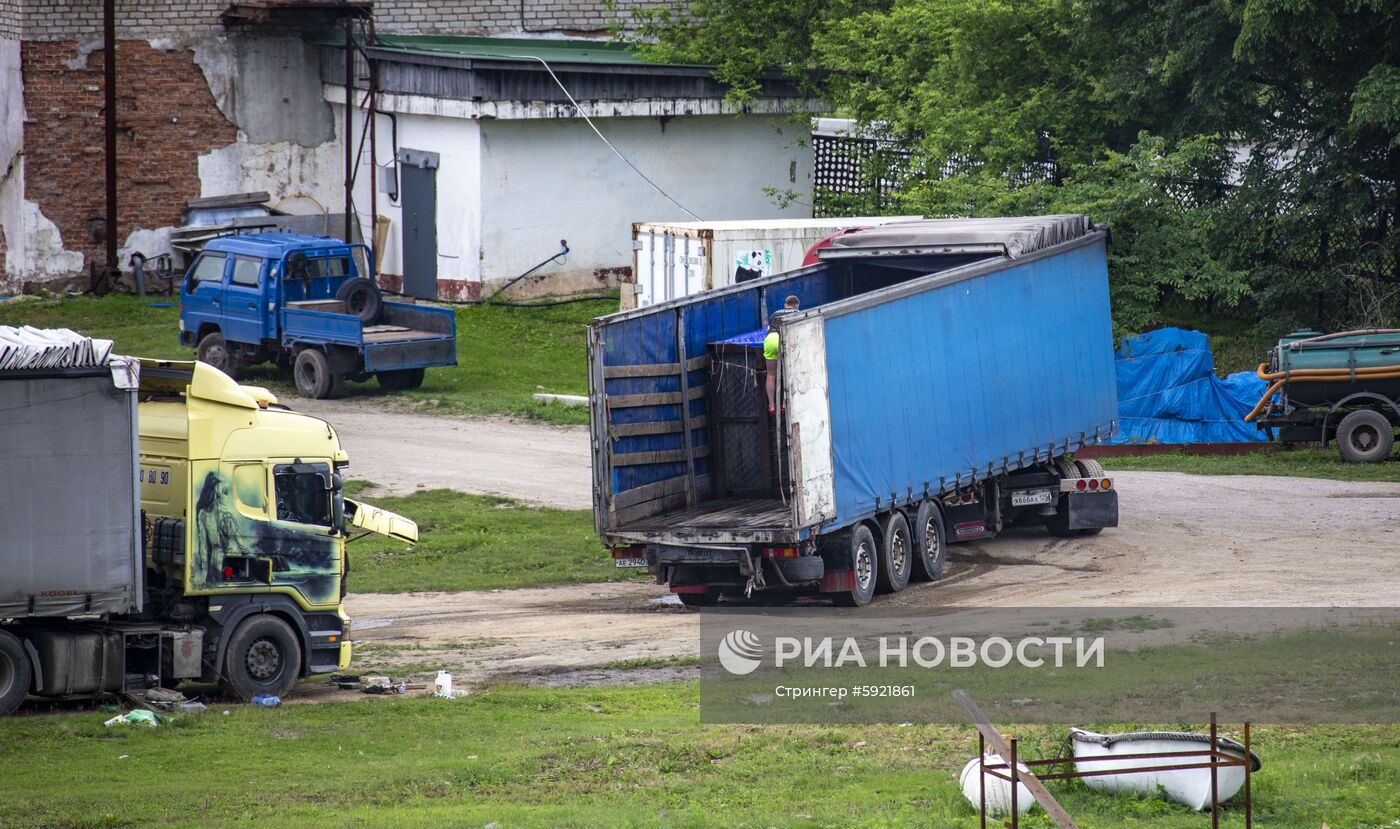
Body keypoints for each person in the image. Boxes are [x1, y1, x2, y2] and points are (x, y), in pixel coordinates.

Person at [764, 295, 801, 415]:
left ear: (785, 304)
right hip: (783, 338)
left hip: (770, 339)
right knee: (787, 373)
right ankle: (784, 404)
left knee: (770, 374)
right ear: (796, 305)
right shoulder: (797, 313)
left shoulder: (775, 314)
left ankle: (771, 406)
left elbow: (768, 328)